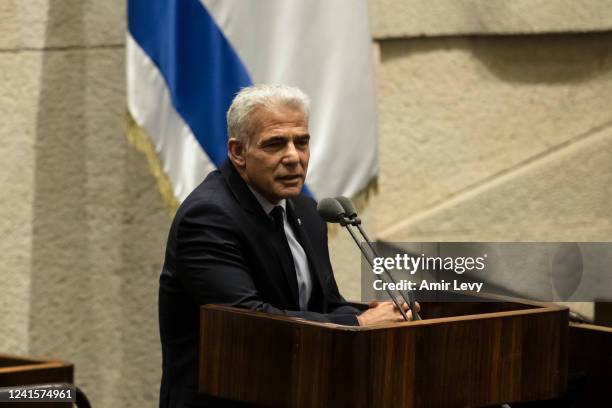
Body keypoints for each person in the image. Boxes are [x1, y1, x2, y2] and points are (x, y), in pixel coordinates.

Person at [158, 84, 416, 408]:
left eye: (302, 142)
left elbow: (325, 305)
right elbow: (249, 322)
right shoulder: (209, 217)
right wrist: (358, 324)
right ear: (238, 152)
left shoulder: (307, 211)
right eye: (276, 144)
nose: (294, 157)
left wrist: (378, 315)